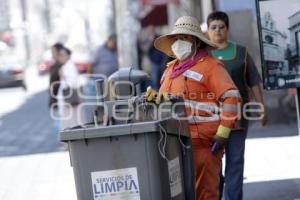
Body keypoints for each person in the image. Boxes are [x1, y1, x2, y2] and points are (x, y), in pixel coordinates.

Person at [146, 16, 241, 199]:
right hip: (175, 145)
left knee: (206, 194)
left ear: (196, 41)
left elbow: (231, 98)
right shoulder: (169, 70)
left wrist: (222, 134)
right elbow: (169, 101)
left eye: (185, 37)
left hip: (204, 145)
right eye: (176, 38)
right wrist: (155, 99)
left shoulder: (211, 67)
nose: (179, 42)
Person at [206, 11, 267, 200]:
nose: (217, 31)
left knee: (235, 161)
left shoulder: (241, 53)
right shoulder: (202, 55)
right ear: (207, 30)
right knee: (212, 163)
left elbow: (254, 81)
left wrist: (261, 107)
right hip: (210, 120)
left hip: (238, 118)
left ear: (228, 28)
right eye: (213, 27)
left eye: (221, 27)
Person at [57, 47, 82, 130]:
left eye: (62, 55)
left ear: (67, 56)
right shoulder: (66, 66)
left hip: (69, 97)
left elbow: (72, 82)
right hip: (68, 97)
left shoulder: (68, 66)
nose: (60, 58)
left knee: (72, 121)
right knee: (70, 120)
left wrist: (63, 76)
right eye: (60, 56)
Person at [48, 42, 64, 133]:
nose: (52, 53)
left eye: (53, 51)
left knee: (60, 126)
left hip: (60, 99)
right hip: (55, 99)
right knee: (58, 125)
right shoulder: (55, 64)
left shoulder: (61, 65)